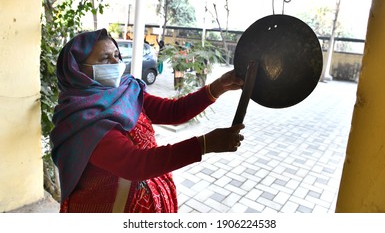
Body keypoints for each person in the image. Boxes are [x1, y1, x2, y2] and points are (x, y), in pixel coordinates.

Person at [50, 28, 245, 213]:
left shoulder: (128, 90)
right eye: (104, 58)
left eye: (116, 55)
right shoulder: (83, 120)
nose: (115, 62)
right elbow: (135, 164)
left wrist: (219, 86)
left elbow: (174, 112)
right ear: (77, 71)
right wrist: (204, 144)